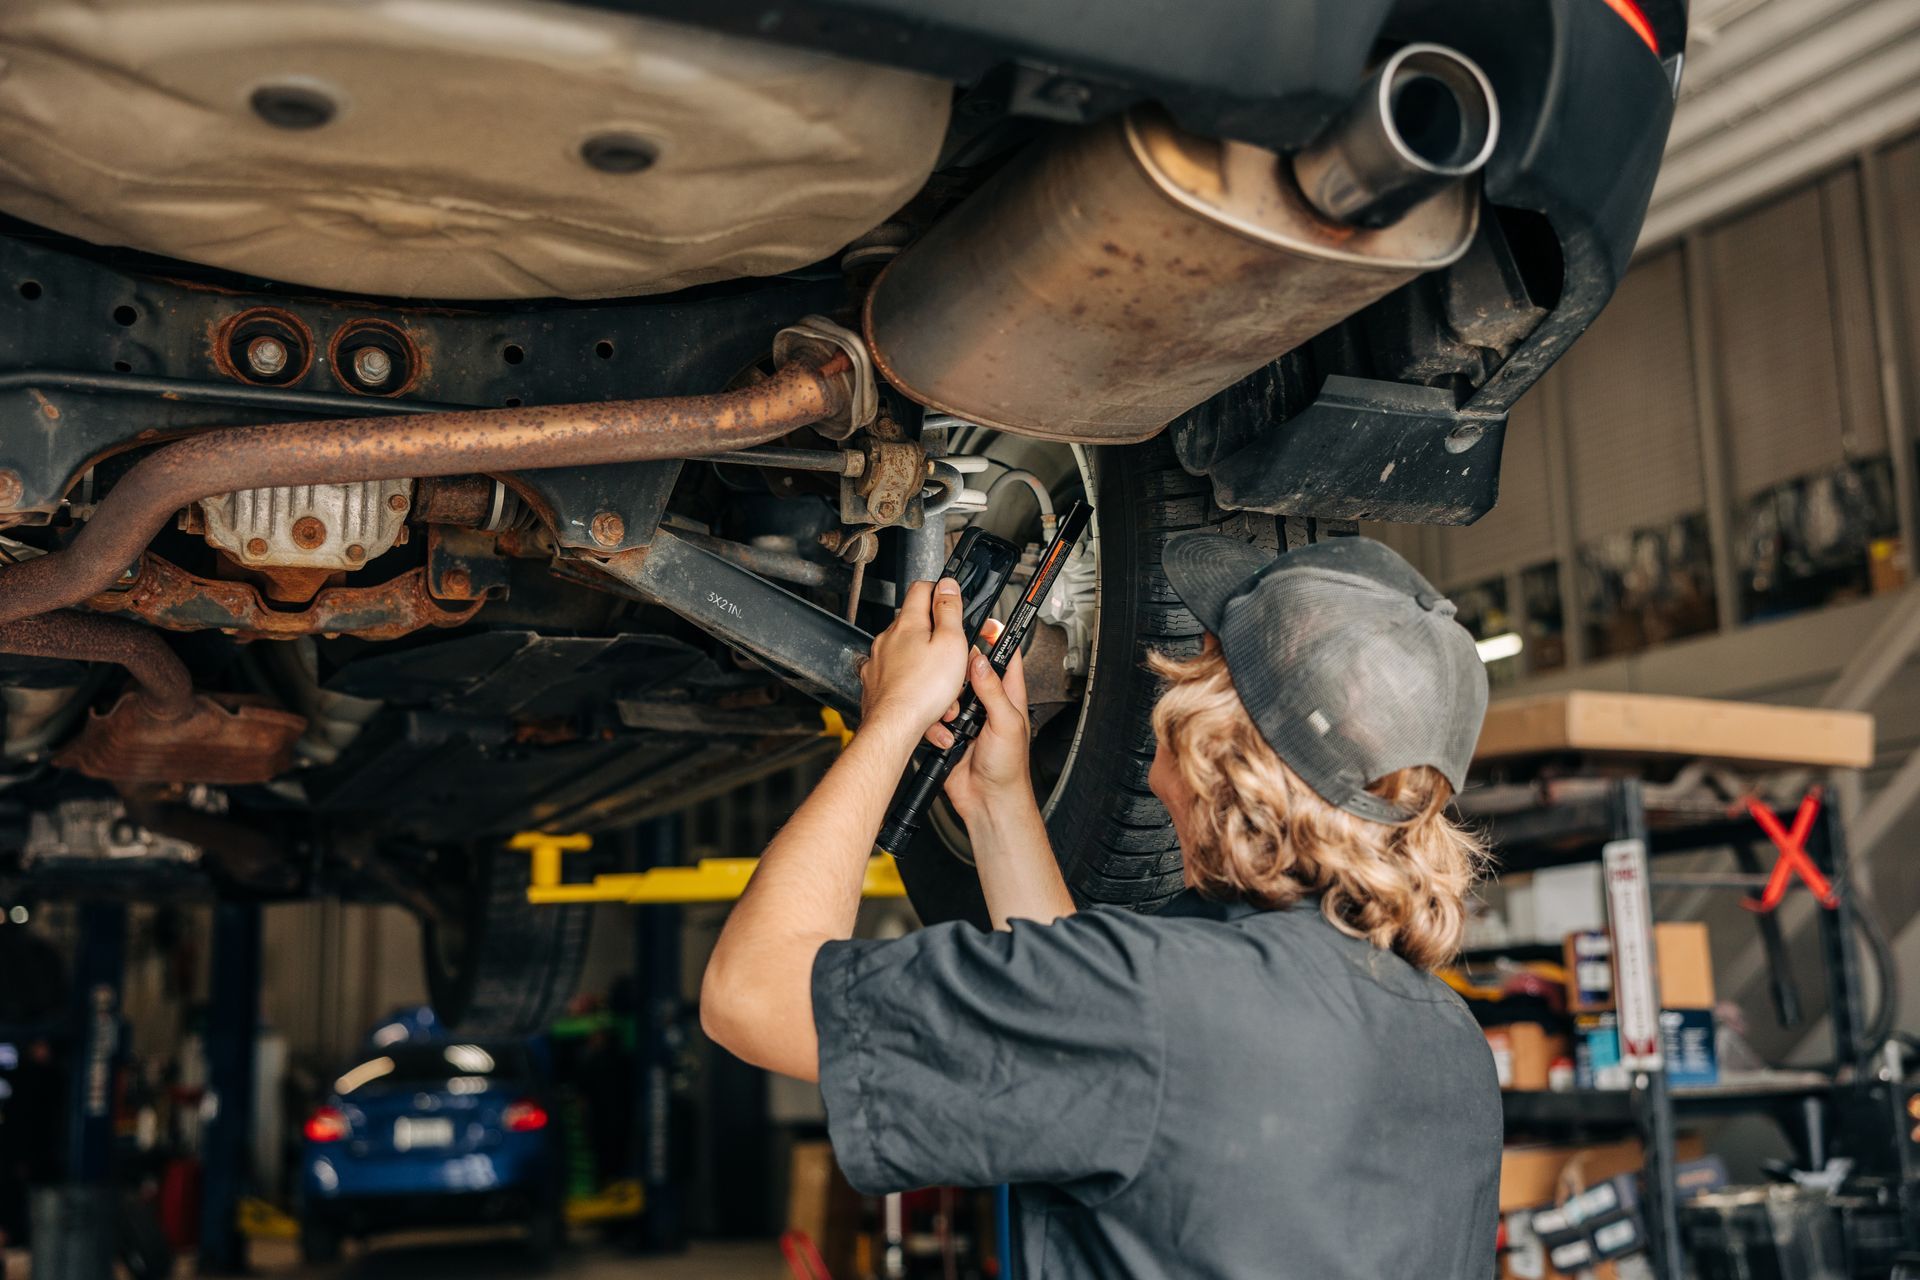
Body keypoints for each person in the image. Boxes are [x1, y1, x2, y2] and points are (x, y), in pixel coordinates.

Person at [701, 531, 1501, 1278]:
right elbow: (1105, 1060)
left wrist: (893, 718)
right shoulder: (1448, 1043)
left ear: (1213, 752)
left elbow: (750, 995)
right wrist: (996, 799)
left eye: (1200, 671)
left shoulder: (1158, 1006)